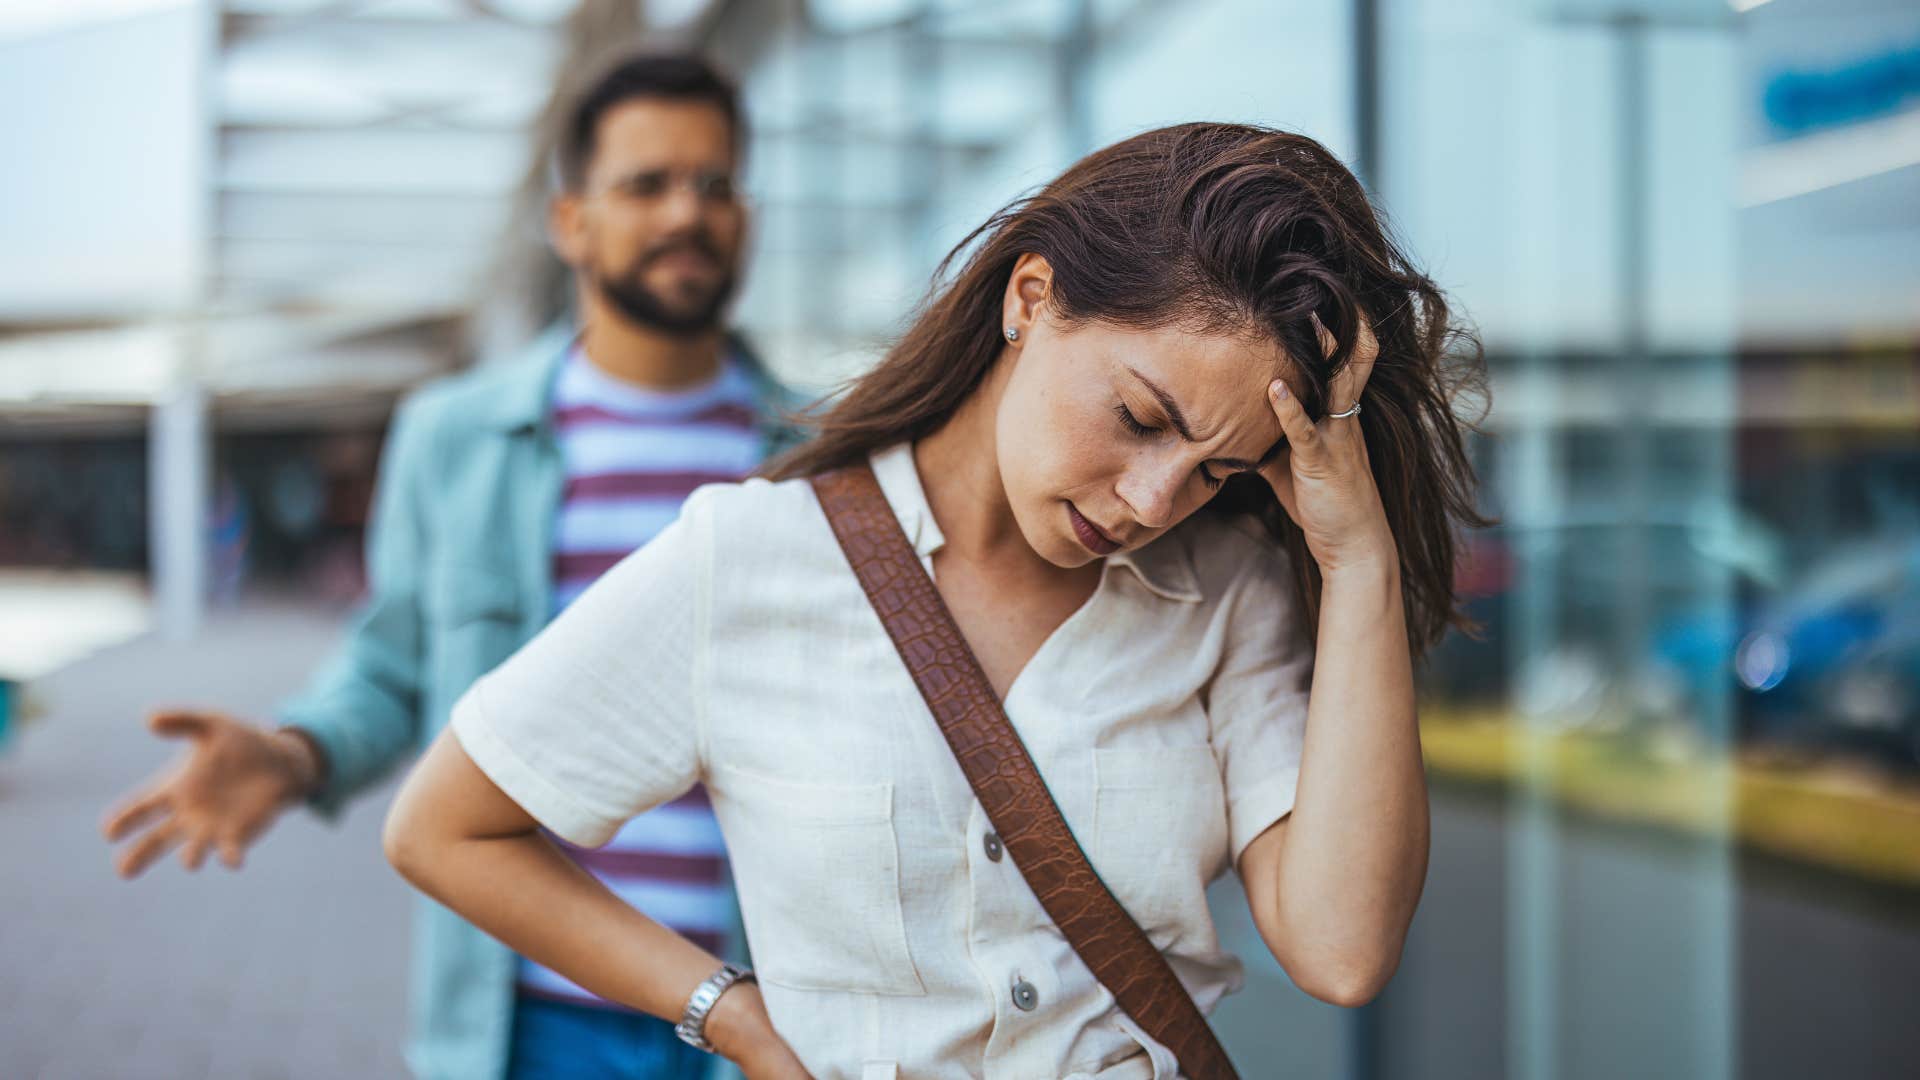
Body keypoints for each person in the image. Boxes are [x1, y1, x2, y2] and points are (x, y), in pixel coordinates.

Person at [382, 122, 1489, 1080]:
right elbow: (446, 828)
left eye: (1219, 470)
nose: (1153, 500)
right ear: (1031, 299)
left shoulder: (1228, 591)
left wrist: (1358, 562)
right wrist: (730, 1015)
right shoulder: (755, 557)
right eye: (1142, 419)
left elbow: (1342, 950)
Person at [100, 51, 797, 1080]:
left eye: (716, 183)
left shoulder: (822, 456)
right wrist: (295, 755)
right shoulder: (456, 438)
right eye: (647, 184)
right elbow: (395, 667)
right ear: (571, 221)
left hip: (774, 1010)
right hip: (531, 1009)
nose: (686, 213)